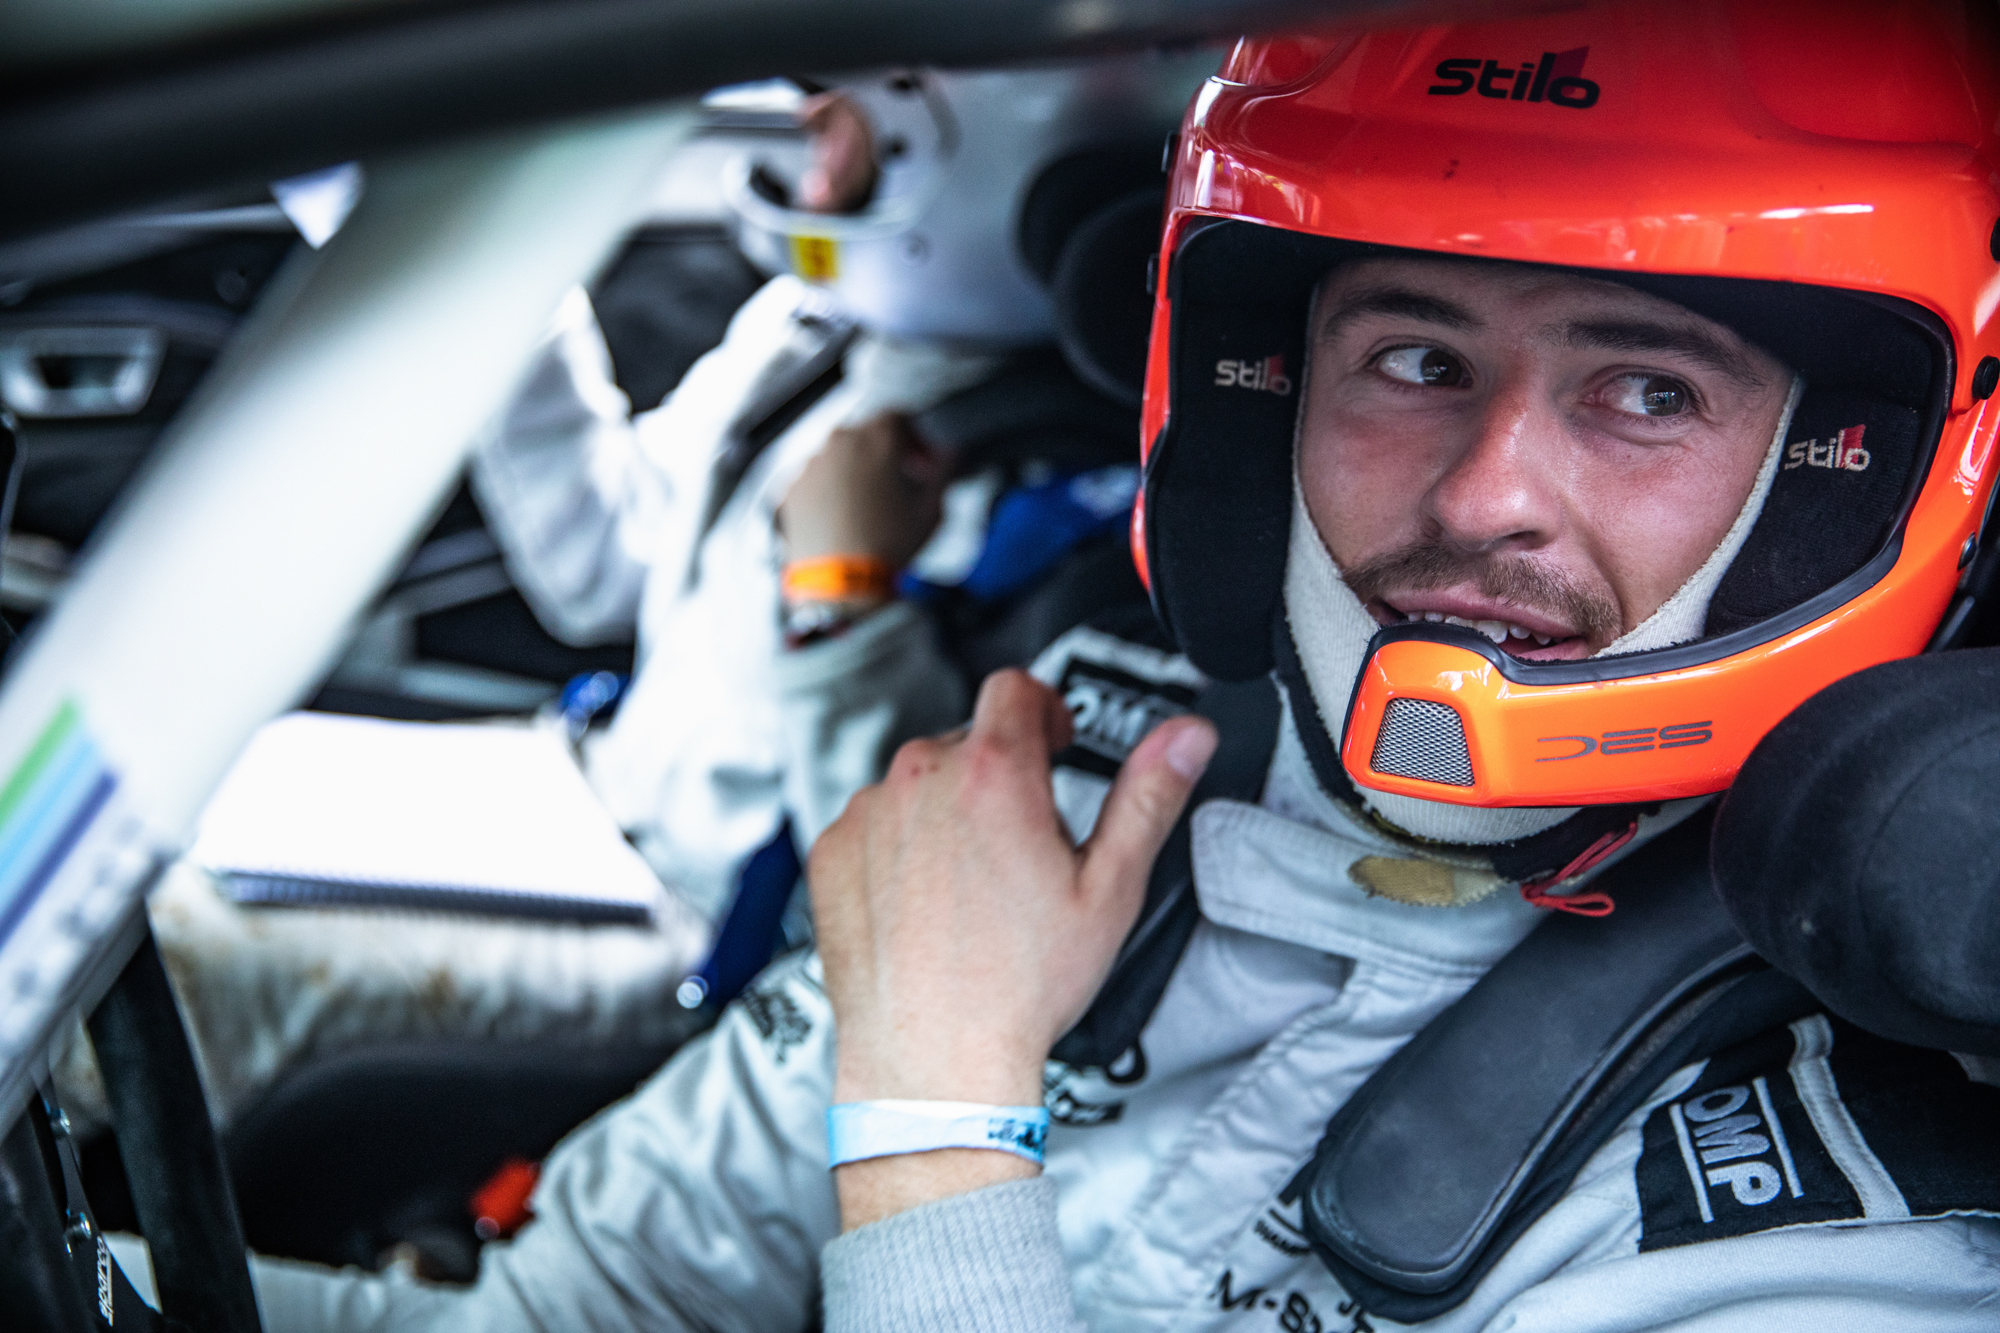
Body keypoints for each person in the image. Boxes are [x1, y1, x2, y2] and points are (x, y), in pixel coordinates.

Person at [251, 2, 2000, 1328]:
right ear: (1265, 394)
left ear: (1841, 471)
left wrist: (935, 1124)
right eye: (1414, 359)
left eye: (1649, 392)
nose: (1485, 495)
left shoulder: (1836, 1237)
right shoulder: (1086, 763)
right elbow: (578, 1299)